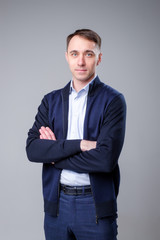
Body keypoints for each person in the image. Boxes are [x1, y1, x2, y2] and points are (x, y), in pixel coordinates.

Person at [26, 29, 126, 240]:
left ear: (98, 58)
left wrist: (55, 157)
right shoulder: (50, 101)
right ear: (66, 57)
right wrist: (80, 144)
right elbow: (33, 149)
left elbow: (105, 160)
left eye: (88, 54)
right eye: (74, 53)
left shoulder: (113, 100)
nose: (81, 61)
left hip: (95, 206)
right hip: (57, 206)